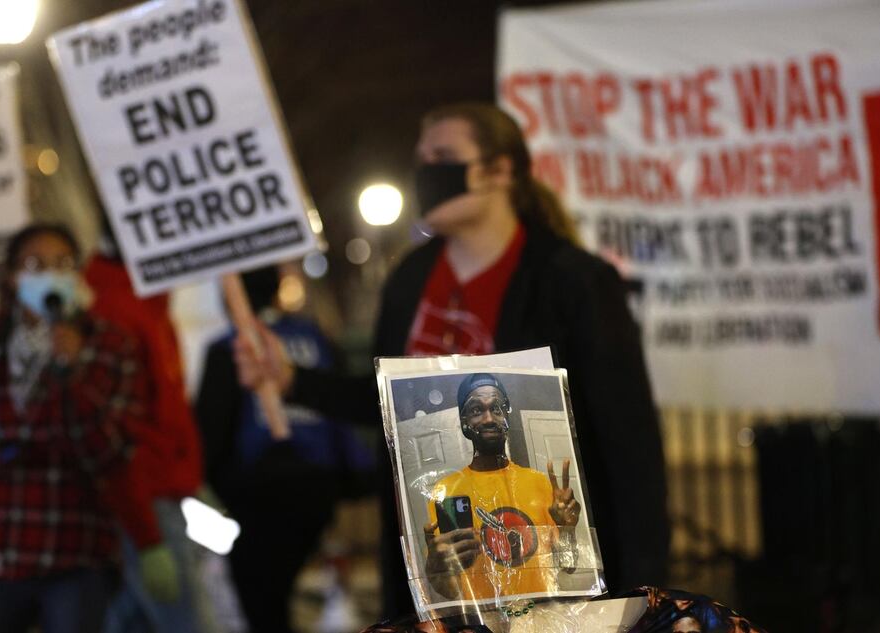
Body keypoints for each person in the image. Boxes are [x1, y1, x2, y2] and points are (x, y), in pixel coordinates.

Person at [235, 103, 669, 617]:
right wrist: (292, 381)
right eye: (421, 158)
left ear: (500, 169)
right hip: (435, 577)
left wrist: (644, 593)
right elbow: (387, 401)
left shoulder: (574, 282)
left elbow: (630, 446)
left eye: (443, 155)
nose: (426, 171)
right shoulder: (410, 280)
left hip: (543, 577)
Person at [0, 223, 147, 633]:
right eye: (36, 264)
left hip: (74, 544)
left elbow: (110, 451)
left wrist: (73, 374)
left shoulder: (111, 346)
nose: (49, 274)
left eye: (62, 264)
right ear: (13, 276)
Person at [196, 266, 373, 633]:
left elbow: (212, 431)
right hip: (318, 485)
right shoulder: (312, 334)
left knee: (261, 601)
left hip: (259, 489)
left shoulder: (232, 347)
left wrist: (218, 488)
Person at [83, 223, 216, 633]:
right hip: (146, 503)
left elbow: (165, 416)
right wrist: (146, 536)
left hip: (161, 497)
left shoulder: (145, 305)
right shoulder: (116, 311)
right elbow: (118, 436)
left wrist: (191, 482)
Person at [423, 373, 580, 601]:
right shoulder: (446, 491)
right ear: (464, 421)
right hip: (484, 622)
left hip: (542, 617)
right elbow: (451, 591)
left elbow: (568, 565)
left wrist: (568, 529)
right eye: (477, 410)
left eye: (496, 409)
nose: (488, 419)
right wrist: (435, 571)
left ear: (507, 415)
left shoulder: (539, 483)